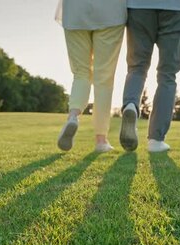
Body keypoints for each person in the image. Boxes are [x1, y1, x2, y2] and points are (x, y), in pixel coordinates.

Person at [120, 0, 180, 152]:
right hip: (177, 7)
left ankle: (131, 105)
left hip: (139, 7)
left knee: (137, 67)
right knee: (167, 75)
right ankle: (156, 140)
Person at [56, 0, 127, 153]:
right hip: (111, 13)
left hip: (75, 12)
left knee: (81, 73)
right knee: (104, 78)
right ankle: (101, 140)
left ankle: (73, 116)